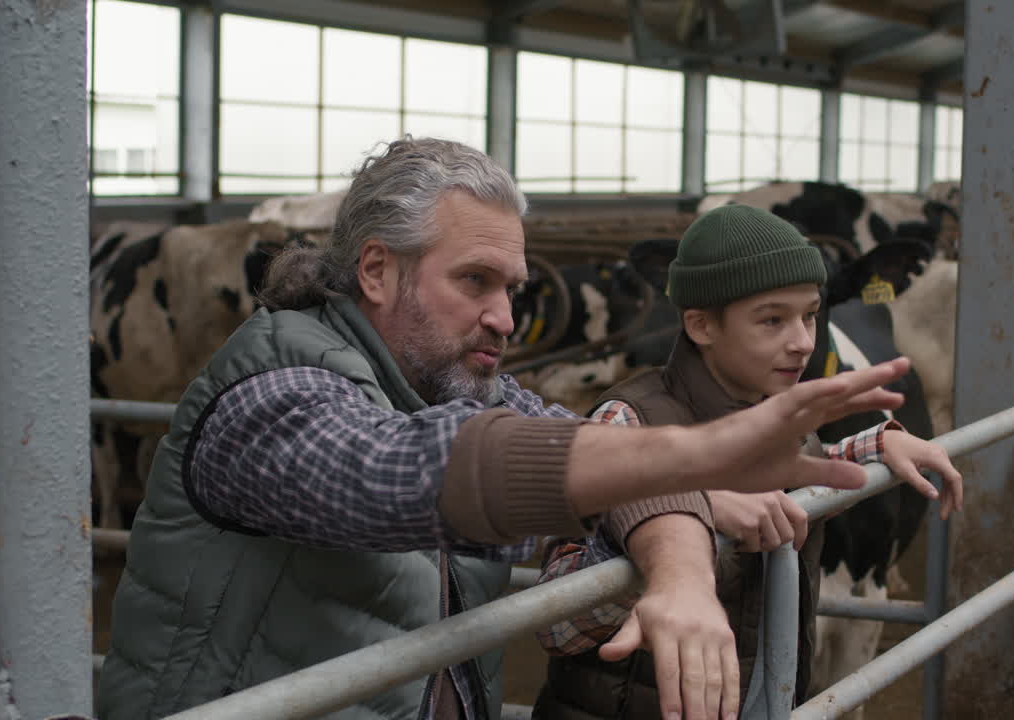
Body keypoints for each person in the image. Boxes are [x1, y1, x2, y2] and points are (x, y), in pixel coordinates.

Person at [94, 137, 915, 720]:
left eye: (513, 288)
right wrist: (704, 457)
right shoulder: (270, 395)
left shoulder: (454, 380)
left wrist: (680, 567)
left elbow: (597, 455)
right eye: (475, 281)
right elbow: (395, 472)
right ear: (376, 271)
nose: (504, 318)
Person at [531, 204, 965, 720]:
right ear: (701, 325)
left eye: (810, 315)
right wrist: (692, 519)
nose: (804, 342)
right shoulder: (628, 421)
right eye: (772, 320)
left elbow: (794, 469)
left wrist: (878, 444)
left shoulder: (775, 416)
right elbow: (555, 621)